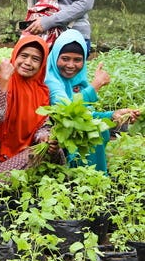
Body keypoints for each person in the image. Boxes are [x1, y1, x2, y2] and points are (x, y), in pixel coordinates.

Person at [44, 29, 140, 173]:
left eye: (77, 60)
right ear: (55, 56)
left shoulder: (77, 81)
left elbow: (86, 115)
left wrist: (113, 115)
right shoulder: (51, 81)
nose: (71, 65)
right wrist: (95, 86)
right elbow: (68, 112)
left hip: (68, 133)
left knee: (97, 130)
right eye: (65, 58)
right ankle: (81, 178)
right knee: (89, 134)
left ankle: (94, 178)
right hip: (52, 141)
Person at [0, 35, 54, 176]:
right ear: (15, 55)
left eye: (35, 59)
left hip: (25, 154)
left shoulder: (42, 92)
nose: (28, 62)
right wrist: (3, 83)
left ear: (42, 64)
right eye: (24, 56)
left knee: (54, 151)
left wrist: (44, 137)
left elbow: (43, 125)